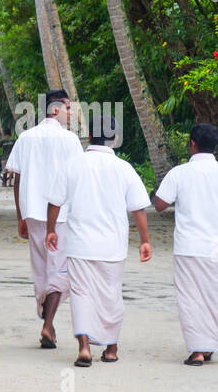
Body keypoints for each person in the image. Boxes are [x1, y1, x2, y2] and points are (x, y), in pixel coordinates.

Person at [46, 113, 151, 367]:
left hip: (80, 244)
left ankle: (84, 348)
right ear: (114, 139)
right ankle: (112, 348)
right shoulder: (124, 168)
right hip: (112, 246)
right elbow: (138, 208)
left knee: (82, 294)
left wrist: (51, 230)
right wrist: (145, 240)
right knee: (111, 294)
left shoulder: (73, 163)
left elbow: (54, 201)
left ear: (90, 136)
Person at [153, 123, 218, 365]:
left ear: (192, 144)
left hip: (188, 246)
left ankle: (198, 351)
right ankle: (209, 345)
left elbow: (160, 205)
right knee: (211, 296)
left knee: (190, 298)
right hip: (214, 246)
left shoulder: (179, 173)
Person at [6, 89, 85, 348]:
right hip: (60, 216)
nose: (70, 113)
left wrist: (21, 216)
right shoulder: (70, 140)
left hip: (33, 214)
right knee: (60, 270)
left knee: (41, 268)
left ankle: (45, 313)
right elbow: (78, 179)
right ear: (55, 109)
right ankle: (48, 324)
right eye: (68, 108)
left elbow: (16, 179)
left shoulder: (26, 138)